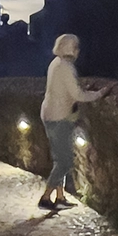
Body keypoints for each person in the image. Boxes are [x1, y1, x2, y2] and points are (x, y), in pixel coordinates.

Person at [38, 33, 105, 210]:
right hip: (59, 117)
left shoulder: (56, 63)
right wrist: (99, 94)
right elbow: (77, 95)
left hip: (51, 114)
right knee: (64, 161)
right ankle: (46, 198)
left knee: (59, 158)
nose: (78, 51)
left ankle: (60, 197)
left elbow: (68, 90)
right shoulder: (66, 67)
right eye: (76, 47)